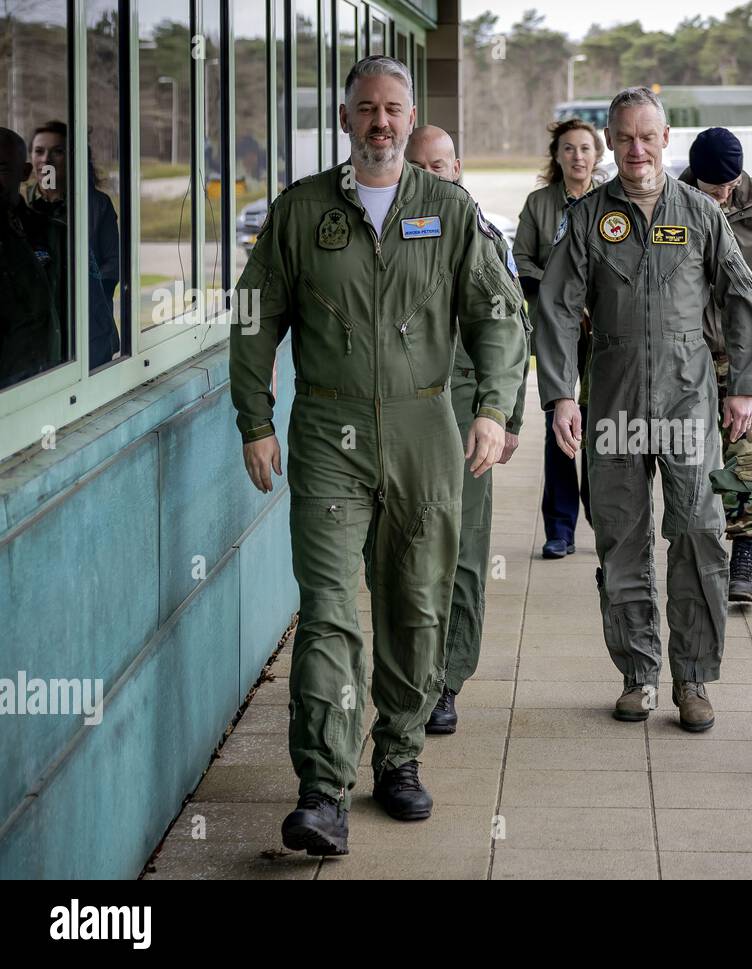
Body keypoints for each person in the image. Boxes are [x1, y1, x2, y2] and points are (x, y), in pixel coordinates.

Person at [230, 56, 526, 855]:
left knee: (415, 600)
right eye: (367, 108)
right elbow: (254, 315)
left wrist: (495, 409)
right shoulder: (301, 213)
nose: (382, 122)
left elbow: (500, 315)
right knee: (328, 609)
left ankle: (398, 755)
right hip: (328, 432)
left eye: (394, 108)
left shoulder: (448, 209)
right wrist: (253, 418)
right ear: (344, 118)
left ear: (408, 115)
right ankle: (322, 787)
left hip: (427, 427)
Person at [536, 87, 752, 732]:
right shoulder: (589, 218)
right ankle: (638, 674)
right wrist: (560, 395)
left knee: (696, 532)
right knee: (620, 537)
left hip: (688, 399)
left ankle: (693, 678)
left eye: (647, 137)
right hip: (611, 400)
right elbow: (554, 307)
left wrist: (743, 386)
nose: (635, 149)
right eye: (624, 137)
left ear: (666, 140)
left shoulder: (699, 214)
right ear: (610, 141)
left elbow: (743, 298)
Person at [404, 124, 530, 736]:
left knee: (463, 548)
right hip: (400, 413)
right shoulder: (390, 229)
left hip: (463, 409)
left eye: (440, 166)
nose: (431, 177)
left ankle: (449, 678)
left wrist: (506, 416)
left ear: (458, 168)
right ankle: (409, 672)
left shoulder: (482, 235)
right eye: (419, 167)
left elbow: (511, 328)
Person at [679, 127, 752, 603]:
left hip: (747, 350)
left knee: (747, 453)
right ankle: (696, 553)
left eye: (728, 185)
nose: (722, 194)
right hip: (688, 351)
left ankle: (745, 554)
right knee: (689, 457)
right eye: (713, 187)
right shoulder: (675, 198)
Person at [513, 118, 601, 559]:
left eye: (585, 148)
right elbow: (520, 261)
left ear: (597, 155)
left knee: (603, 426)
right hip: (558, 330)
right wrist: (561, 294)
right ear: (557, 155)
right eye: (569, 149)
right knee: (561, 425)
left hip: (605, 332)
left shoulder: (611, 202)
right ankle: (560, 528)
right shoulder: (539, 204)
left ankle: (604, 522)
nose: (578, 156)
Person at [27, 120, 120, 368]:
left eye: (57, 151)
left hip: (87, 333)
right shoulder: (22, 205)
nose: (46, 160)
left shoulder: (96, 205)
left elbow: (114, 264)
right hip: (36, 337)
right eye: (39, 151)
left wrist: (86, 293)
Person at [0, 127, 65, 389]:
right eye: (41, 151)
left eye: (2, 169)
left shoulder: (50, 231)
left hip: (45, 379)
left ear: (24, 173)